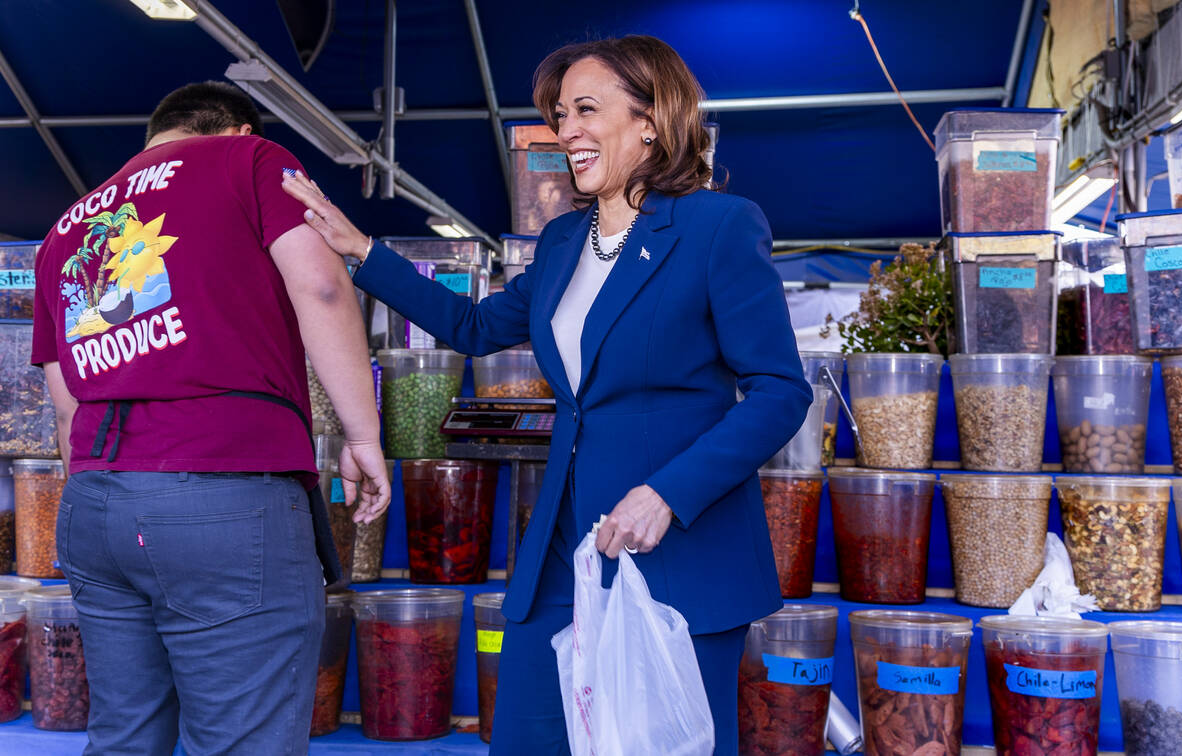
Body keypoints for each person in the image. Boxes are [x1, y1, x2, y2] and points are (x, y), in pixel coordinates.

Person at [283, 35, 809, 754]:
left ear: (651, 119)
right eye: (560, 116)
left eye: (586, 110)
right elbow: (472, 326)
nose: (566, 133)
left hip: (680, 550)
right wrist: (360, 250)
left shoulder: (719, 226)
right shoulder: (563, 240)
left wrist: (669, 493)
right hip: (564, 548)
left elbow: (781, 391)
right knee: (528, 735)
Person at [31, 81, 389, 753]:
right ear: (238, 131)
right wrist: (363, 435)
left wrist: (121, 500)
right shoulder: (250, 161)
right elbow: (320, 282)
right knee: (242, 740)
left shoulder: (67, 228)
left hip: (95, 503)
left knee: (125, 738)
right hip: (222, 494)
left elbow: (64, 405)